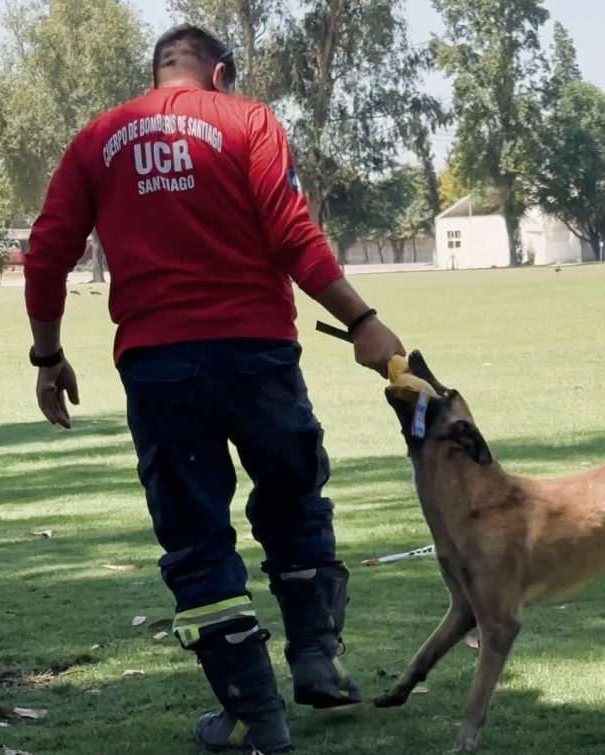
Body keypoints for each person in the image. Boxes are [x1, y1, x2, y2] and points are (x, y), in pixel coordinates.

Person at [23, 24, 404, 754]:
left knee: (198, 538)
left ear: (157, 74)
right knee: (294, 497)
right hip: (258, 353)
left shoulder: (99, 138)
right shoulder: (248, 120)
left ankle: (257, 717)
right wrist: (362, 321)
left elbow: (46, 252)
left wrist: (48, 354)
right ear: (219, 73)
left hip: (159, 365)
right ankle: (316, 656)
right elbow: (293, 232)